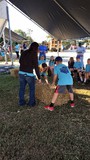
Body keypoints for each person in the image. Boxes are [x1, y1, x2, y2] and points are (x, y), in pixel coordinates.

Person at [19, 42, 41, 107]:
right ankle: (31, 103)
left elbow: (20, 61)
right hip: (29, 74)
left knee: (22, 88)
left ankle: (21, 103)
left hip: (21, 73)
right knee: (32, 89)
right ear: (36, 48)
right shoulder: (34, 54)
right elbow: (36, 67)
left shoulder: (24, 52)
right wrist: (39, 77)